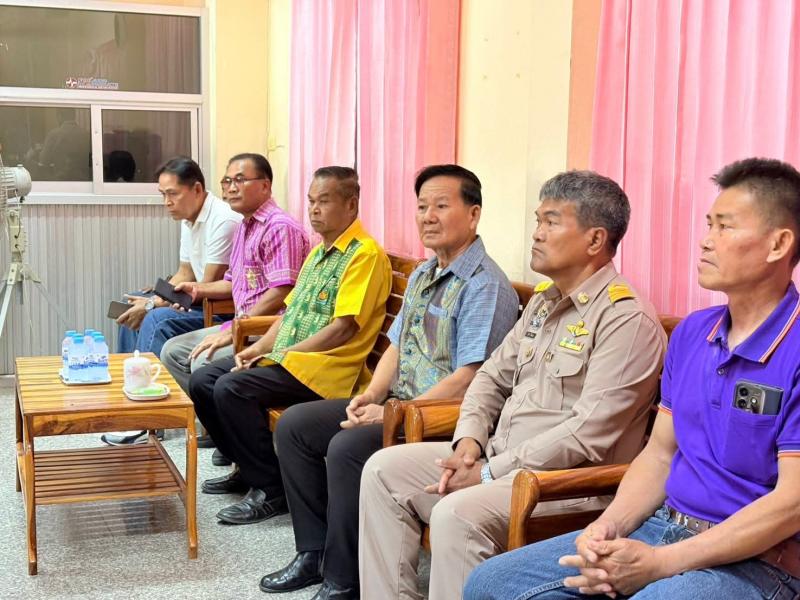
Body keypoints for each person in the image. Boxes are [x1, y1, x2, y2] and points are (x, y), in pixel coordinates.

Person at [464, 157, 800, 600]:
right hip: (663, 527)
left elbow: (792, 503)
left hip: (756, 561)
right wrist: (609, 527)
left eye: (725, 227)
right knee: (490, 584)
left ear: (778, 244)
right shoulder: (694, 333)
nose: (706, 241)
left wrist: (661, 564)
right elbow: (659, 454)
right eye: (708, 224)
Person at [358, 170, 667, 600]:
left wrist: (489, 472)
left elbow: (588, 433)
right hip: (500, 459)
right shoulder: (544, 302)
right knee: (383, 471)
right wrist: (468, 441)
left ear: (595, 240)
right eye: (538, 220)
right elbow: (490, 377)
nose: (536, 233)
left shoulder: (625, 319)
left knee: (455, 514)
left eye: (551, 222)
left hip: (566, 485)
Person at [259, 165, 519, 600]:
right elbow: (397, 345)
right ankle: (314, 552)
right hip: (398, 404)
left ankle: (344, 580)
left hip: (438, 419)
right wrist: (371, 396)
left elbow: (470, 378)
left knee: (347, 449)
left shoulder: (484, 285)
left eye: (441, 206)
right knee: (296, 426)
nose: (428, 217)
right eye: (422, 207)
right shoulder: (424, 273)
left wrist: (395, 415)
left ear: (473, 214)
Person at [188, 166, 392, 526]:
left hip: (326, 368)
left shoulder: (364, 255)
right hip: (290, 360)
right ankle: (249, 468)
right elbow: (288, 315)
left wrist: (285, 353)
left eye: (324, 201)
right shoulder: (318, 253)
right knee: (203, 381)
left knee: (232, 389)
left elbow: (343, 329)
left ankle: (271, 489)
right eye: (311, 201)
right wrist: (259, 349)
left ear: (351, 204)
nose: (314, 209)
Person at [160, 153, 309, 437]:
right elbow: (232, 283)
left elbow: (282, 290)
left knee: (203, 361)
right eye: (227, 181)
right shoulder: (245, 226)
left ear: (265, 185)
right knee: (173, 351)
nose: (231, 187)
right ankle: (222, 434)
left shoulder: (279, 227)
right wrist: (196, 289)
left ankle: (233, 438)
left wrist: (237, 328)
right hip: (242, 324)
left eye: (240, 180)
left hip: (268, 330)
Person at [103, 156, 239, 446]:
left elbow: (205, 285)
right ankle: (129, 401)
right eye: (162, 194)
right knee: (134, 308)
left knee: (154, 318)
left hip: (219, 310)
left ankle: (148, 419)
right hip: (197, 297)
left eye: (173, 194)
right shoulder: (189, 219)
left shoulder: (224, 220)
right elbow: (184, 273)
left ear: (197, 189)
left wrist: (154, 305)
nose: (167, 202)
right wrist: (152, 298)